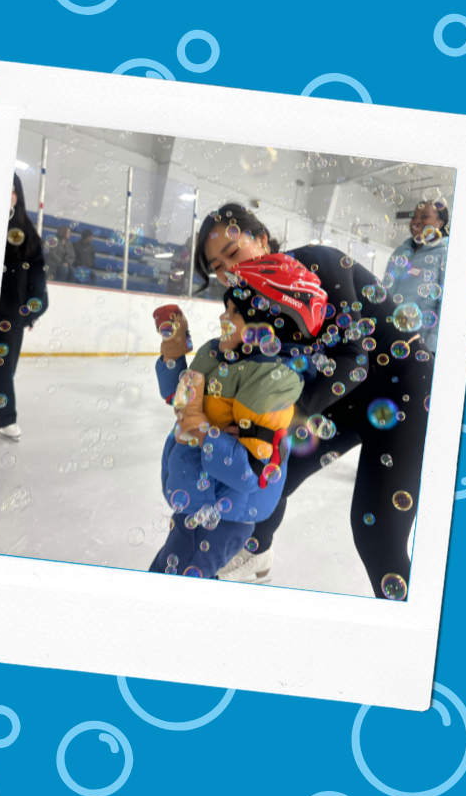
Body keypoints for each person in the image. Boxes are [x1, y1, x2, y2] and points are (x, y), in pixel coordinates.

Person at [193, 204, 434, 600]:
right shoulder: (240, 301)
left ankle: (419, 633)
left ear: (262, 239)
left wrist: (282, 415)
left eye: (233, 254)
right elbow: (249, 365)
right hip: (342, 396)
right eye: (217, 266)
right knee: (272, 475)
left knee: (377, 533)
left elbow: (354, 357)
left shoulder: (317, 262)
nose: (228, 271)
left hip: (404, 387)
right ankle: (256, 553)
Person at [150, 257, 322, 579]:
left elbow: (250, 473)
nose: (222, 316)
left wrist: (203, 431)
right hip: (200, 502)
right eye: (225, 308)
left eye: (233, 312)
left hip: (222, 512)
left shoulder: (270, 381)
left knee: (171, 582)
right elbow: (182, 398)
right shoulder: (219, 354)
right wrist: (174, 351)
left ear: (268, 327)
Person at [0, 175, 48, 439]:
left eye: (11, 190)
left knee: (3, 367)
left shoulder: (26, 232)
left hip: (10, 313)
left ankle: (4, 418)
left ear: (19, 195)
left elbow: (37, 274)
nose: (7, 194)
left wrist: (32, 309)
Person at [383, 201, 449, 354]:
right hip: (388, 336)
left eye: (424, 217)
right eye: (414, 216)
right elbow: (385, 290)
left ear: (440, 223)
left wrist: (432, 347)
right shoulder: (400, 251)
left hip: (420, 343)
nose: (416, 221)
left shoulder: (445, 253)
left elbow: (447, 305)